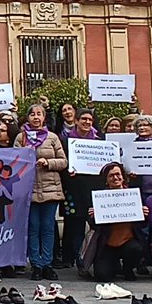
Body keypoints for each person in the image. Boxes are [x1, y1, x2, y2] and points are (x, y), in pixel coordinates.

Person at [14, 103, 67, 282]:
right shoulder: (21, 138)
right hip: (29, 190)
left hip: (51, 188)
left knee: (48, 228)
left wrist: (48, 163)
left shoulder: (52, 138)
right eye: (32, 114)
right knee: (33, 227)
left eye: (39, 114)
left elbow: (63, 162)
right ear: (27, 117)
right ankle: (36, 264)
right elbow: (13, 162)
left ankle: (47, 264)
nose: (36, 117)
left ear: (44, 117)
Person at [83, 162, 148, 282]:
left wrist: (144, 214)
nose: (115, 178)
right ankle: (115, 266)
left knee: (136, 249)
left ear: (123, 177)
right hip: (107, 244)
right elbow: (93, 226)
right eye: (111, 175)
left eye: (118, 174)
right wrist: (93, 217)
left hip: (128, 242)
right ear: (106, 180)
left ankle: (128, 268)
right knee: (102, 276)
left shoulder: (134, 196)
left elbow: (143, 225)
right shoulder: (100, 198)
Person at [59, 108, 99, 268]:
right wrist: (69, 172)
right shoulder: (66, 141)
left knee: (95, 223)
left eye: (90, 119)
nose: (87, 122)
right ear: (76, 121)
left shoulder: (99, 140)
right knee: (74, 225)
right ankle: (76, 257)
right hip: (73, 188)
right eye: (84, 119)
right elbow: (62, 163)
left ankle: (91, 255)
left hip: (93, 188)